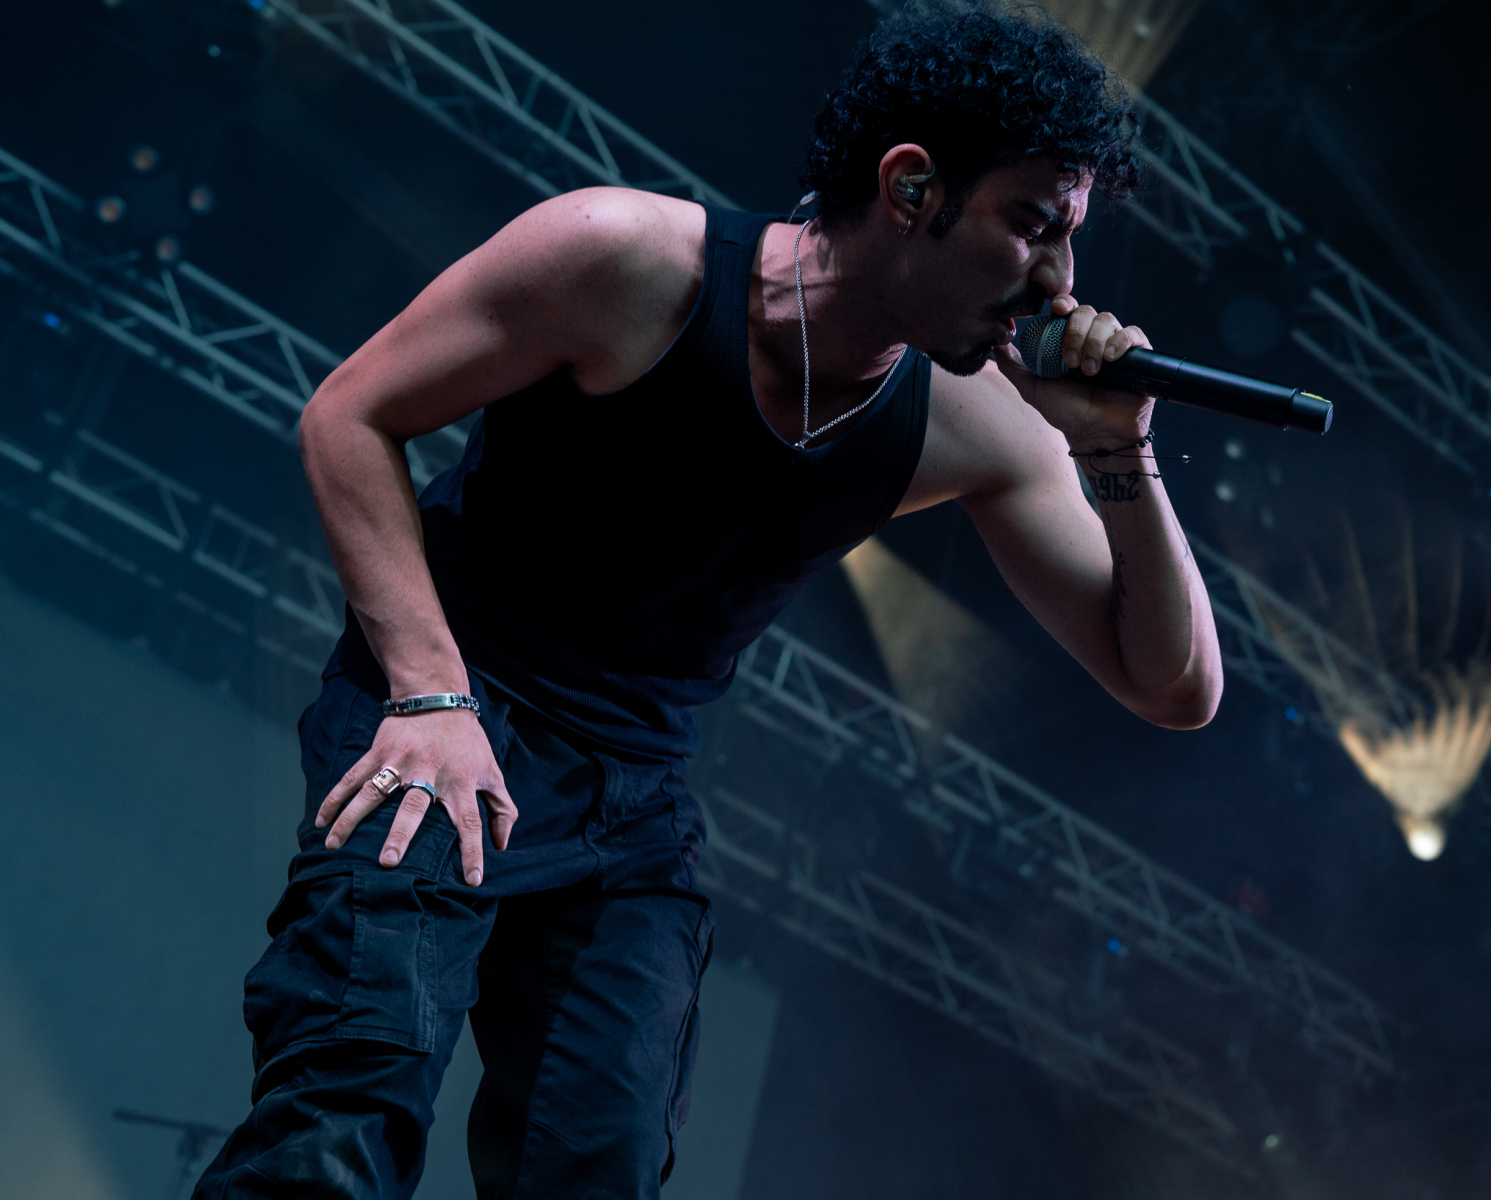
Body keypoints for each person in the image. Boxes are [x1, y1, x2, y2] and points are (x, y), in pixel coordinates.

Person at [195, 6, 1222, 1198]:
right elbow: (349, 416)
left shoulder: (979, 422)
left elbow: (1174, 685)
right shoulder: (625, 259)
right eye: (1033, 225)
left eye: (1070, 241)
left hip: (632, 799)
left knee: (601, 1166)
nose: (1058, 283)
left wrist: (1117, 450)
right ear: (911, 188)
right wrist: (431, 693)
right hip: (443, 711)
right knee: (339, 1123)